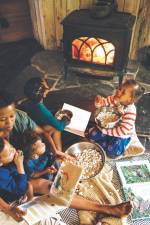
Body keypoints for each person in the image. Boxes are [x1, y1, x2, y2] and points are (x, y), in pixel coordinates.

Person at [0, 89, 69, 160]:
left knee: (53, 128)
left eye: (12, 116)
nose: (9, 122)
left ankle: (58, 155)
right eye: (2, 119)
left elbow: (43, 132)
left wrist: (55, 151)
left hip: (24, 148)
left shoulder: (19, 117)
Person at [87, 79, 145, 158]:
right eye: (120, 89)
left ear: (130, 99)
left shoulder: (130, 112)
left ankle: (124, 144)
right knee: (92, 135)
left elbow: (123, 131)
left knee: (113, 152)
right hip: (108, 127)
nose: (118, 92)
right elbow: (102, 104)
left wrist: (105, 131)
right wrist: (99, 102)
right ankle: (106, 142)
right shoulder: (114, 98)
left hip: (121, 134)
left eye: (123, 92)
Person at [0, 137, 33, 221]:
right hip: (12, 203)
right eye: (10, 152)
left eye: (11, 146)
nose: (14, 150)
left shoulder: (7, 164)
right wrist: (20, 165)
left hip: (21, 199)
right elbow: (19, 189)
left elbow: (26, 180)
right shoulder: (1, 175)